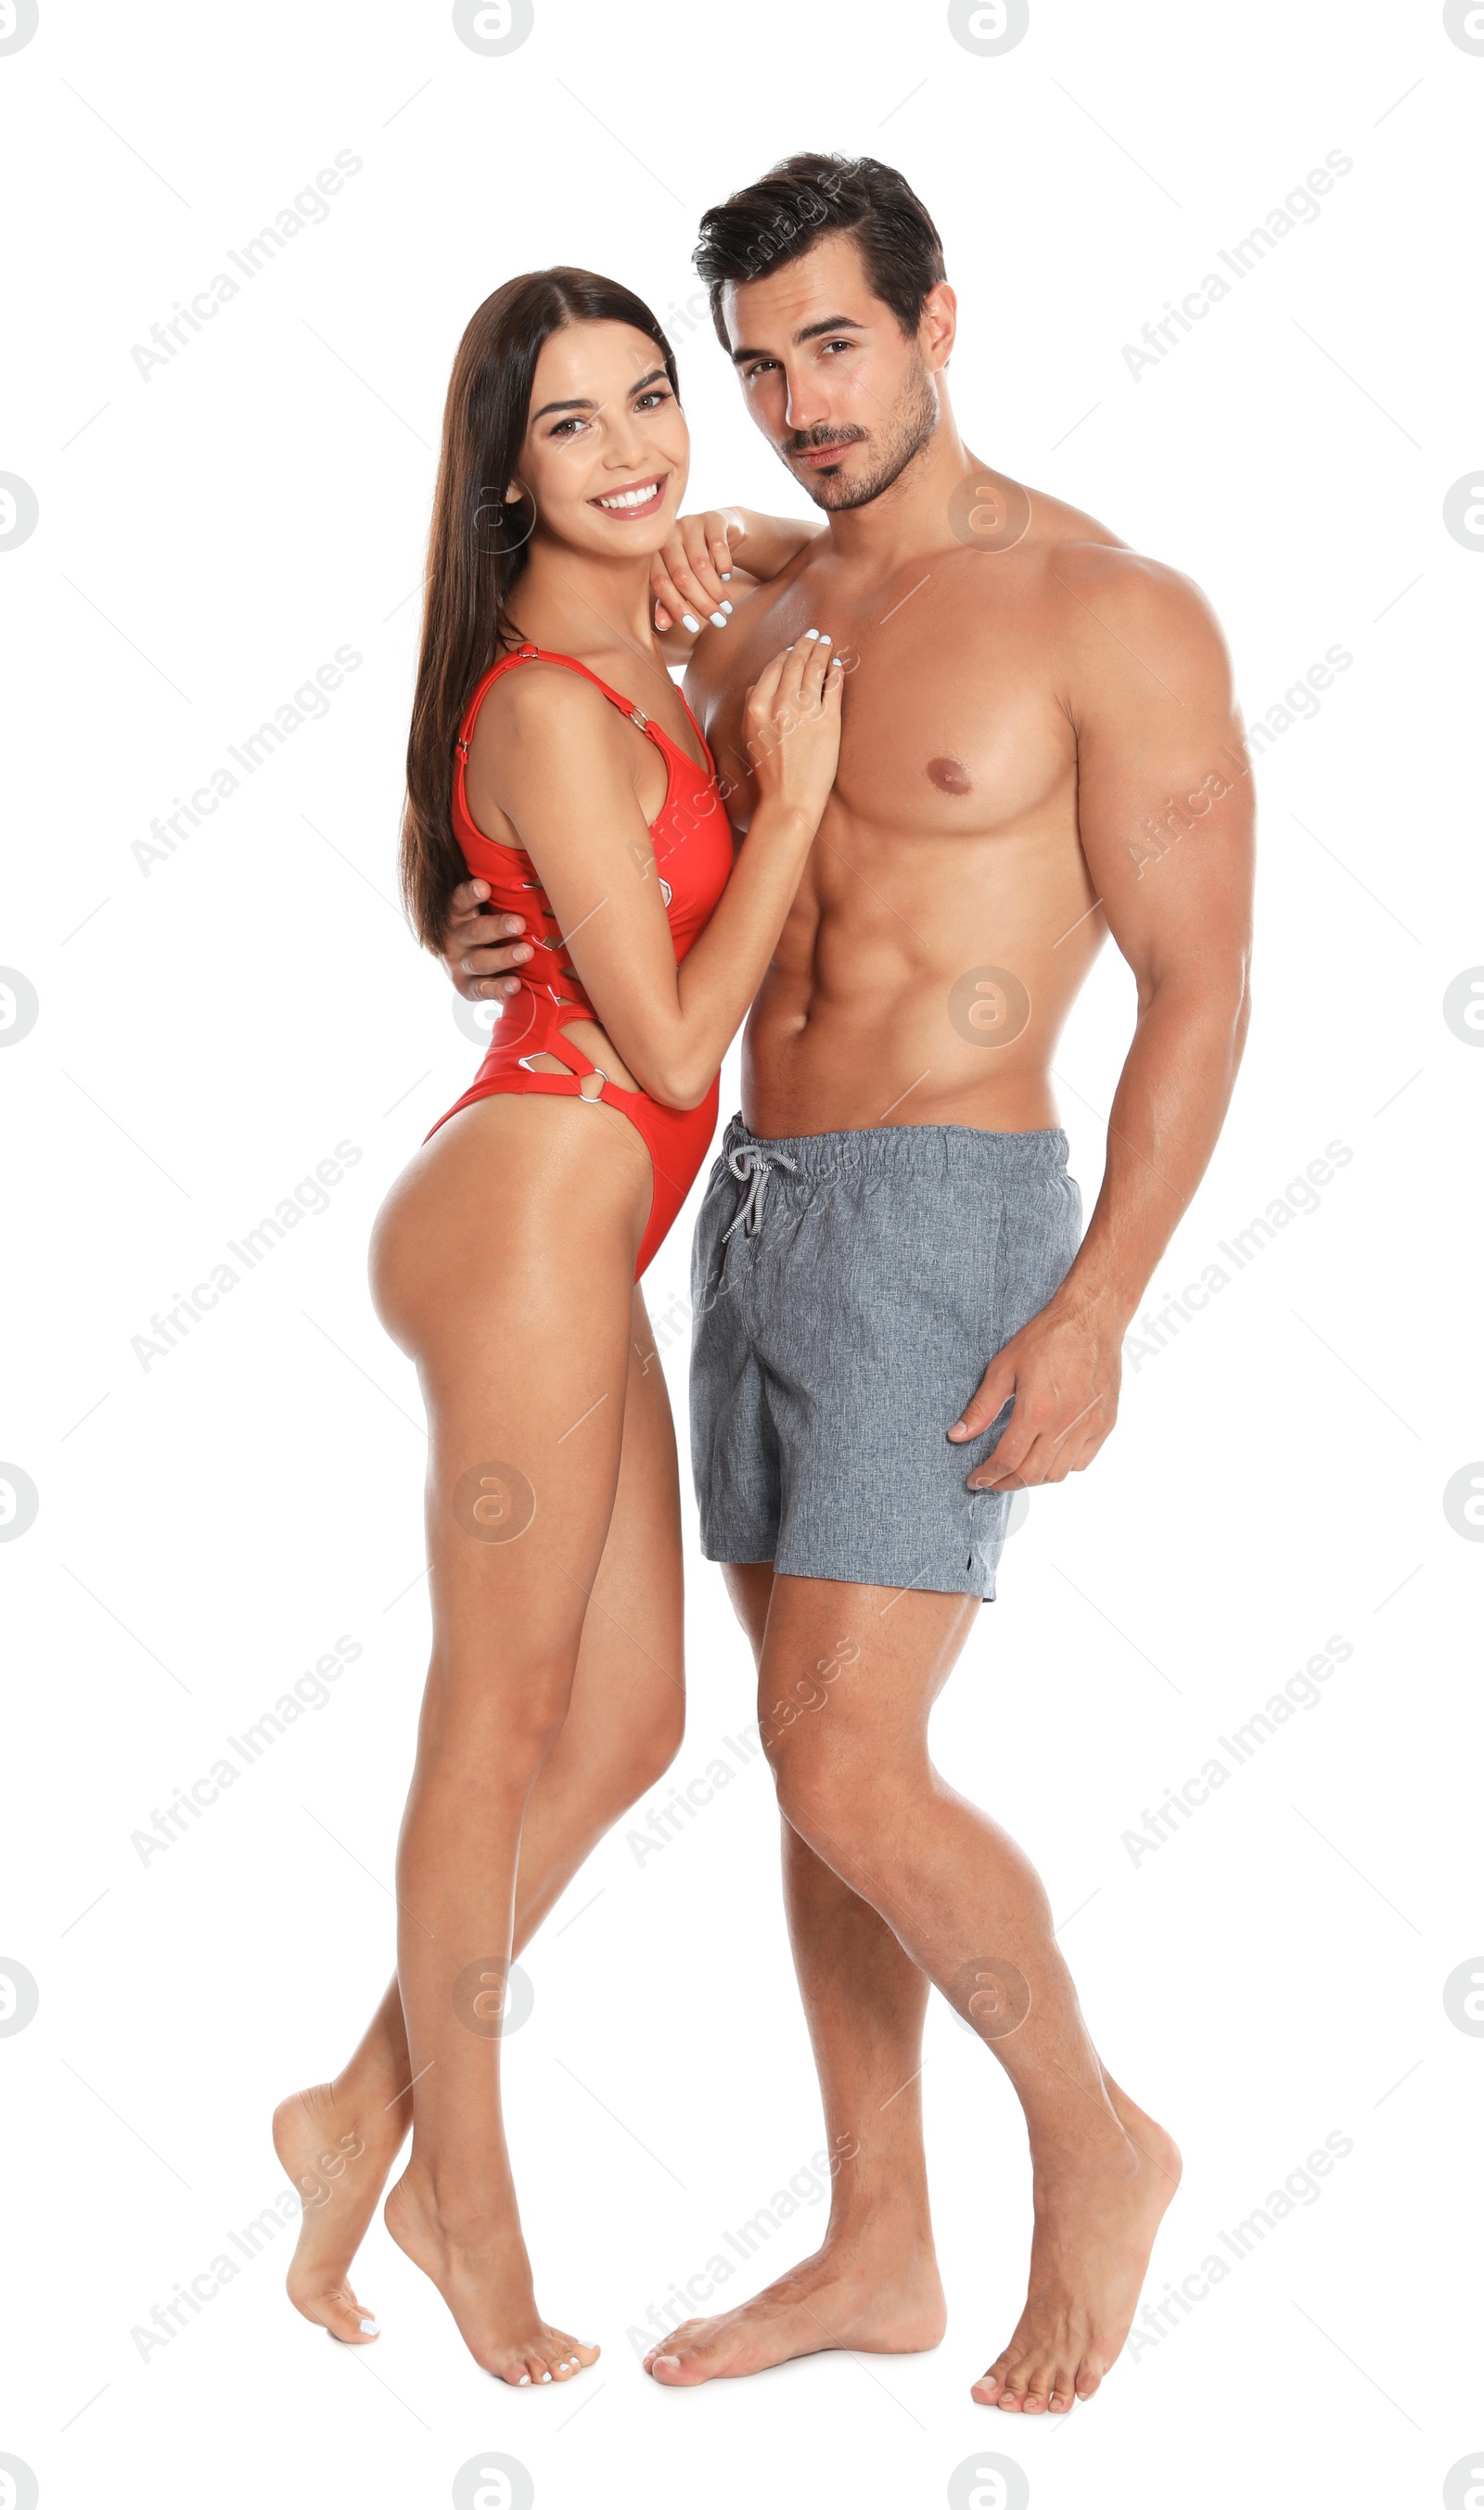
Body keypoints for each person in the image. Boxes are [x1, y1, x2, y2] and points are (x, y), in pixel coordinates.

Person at [442, 158, 1255, 2416]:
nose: (796, 403)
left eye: (836, 344)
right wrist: (478, 926)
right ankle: (879, 2243)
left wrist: (1096, 1300)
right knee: (816, 1771)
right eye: (760, 358)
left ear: (934, 324)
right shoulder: (745, 604)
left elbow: (1199, 991)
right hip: (755, 1203)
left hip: (949, 1209)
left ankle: (1094, 2148)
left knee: (837, 1747)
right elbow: (616, 837)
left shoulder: (1108, 611)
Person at [272, 263, 843, 2388]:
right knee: (488, 1729)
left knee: (621, 1728)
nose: (631, 451)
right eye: (572, 428)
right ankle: (463, 2221)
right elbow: (677, 1029)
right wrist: (782, 805)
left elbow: (566, 913)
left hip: (573, 1225)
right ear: (505, 483)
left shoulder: (637, 661)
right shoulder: (539, 696)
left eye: (647, 401)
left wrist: (729, 715)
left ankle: (358, 2106)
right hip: (524, 1208)